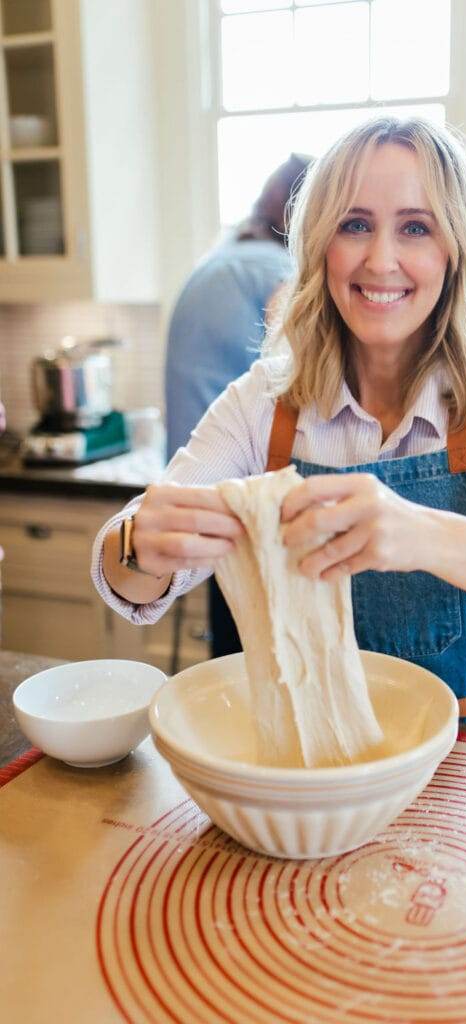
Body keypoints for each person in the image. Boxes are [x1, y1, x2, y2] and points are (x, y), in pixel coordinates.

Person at [92, 118, 466, 734]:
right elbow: (128, 575)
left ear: (454, 252)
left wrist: (418, 533)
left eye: (415, 228)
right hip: (305, 759)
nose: (381, 259)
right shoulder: (263, 402)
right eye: (355, 225)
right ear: (321, 245)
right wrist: (137, 543)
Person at [164, 153, 312, 657]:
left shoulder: (215, 263)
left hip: (193, 481)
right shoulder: (275, 271)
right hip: (243, 485)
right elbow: (295, 358)